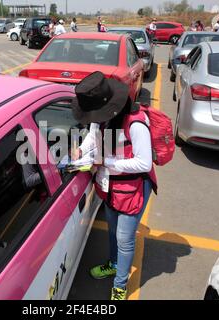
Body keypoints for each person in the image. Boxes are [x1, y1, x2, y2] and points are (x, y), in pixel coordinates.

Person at [71, 72, 157, 300]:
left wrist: (105, 162)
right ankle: (113, 264)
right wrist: (81, 150)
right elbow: (93, 135)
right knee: (111, 230)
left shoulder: (136, 122)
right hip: (110, 185)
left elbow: (144, 162)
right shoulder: (102, 118)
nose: (94, 118)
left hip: (132, 188)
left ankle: (120, 285)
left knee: (124, 239)